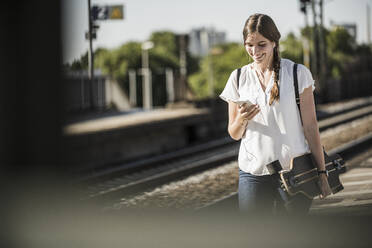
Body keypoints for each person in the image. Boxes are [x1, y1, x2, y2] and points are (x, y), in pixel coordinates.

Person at [219, 13, 332, 215]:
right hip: (253, 172)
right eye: (249, 44)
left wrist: (322, 173)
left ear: (274, 42)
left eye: (261, 44)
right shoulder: (237, 78)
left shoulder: (297, 74)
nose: (255, 51)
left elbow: (311, 127)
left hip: (295, 171)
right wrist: (243, 118)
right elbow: (234, 133)